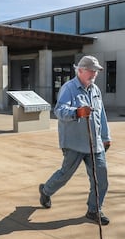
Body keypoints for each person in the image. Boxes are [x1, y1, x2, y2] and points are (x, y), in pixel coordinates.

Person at [38, 55, 112, 225]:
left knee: (101, 179)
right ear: (80, 71)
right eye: (91, 71)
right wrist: (77, 112)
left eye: (96, 71)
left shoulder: (95, 90)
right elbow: (59, 110)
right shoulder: (69, 88)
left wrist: (106, 137)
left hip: (95, 144)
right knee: (65, 175)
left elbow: (101, 114)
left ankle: (94, 210)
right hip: (74, 143)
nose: (94, 74)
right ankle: (46, 190)